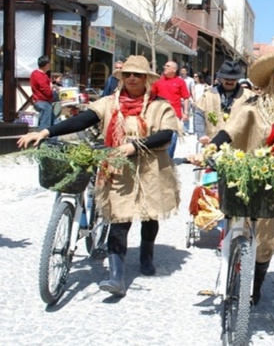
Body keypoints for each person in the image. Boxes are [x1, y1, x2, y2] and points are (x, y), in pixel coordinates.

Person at [188, 51, 274, 344]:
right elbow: (229, 131)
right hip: (262, 183)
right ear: (272, 76)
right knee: (262, 246)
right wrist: (208, 152)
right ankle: (253, 292)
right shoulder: (255, 106)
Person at [17, 55, 180, 297]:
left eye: (138, 75)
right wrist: (46, 131)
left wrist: (136, 146)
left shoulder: (159, 105)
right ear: (121, 78)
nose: (132, 78)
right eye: (127, 74)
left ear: (146, 79)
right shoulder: (108, 103)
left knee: (149, 214)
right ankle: (116, 277)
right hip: (116, 168)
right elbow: (83, 120)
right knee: (118, 219)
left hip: (150, 167)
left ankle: (147, 255)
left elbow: (166, 134)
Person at [194, 60, 254, 146]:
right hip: (212, 144)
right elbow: (199, 115)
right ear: (221, 78)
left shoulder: (249, 96)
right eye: (227, 78)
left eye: (233, 79)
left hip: (238, 147)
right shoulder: (207, 95)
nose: (230, 81)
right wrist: (201, 134)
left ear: (237, 79)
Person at [151, 60, 190, 158]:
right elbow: (152, 96)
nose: (165, 67)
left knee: (172, 137)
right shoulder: (158, 81)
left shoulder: (180, 82)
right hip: (159, 114)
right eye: (165, 65)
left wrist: (185, 112)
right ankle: (160, 158)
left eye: (168, 66)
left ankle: (168, 159)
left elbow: (186, 97)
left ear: (174, 69)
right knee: (159, 136)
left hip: (174, 115)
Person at [30, 56, 55, 129]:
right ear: (47, 65)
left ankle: (53, 140)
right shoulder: (39, 75)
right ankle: (42, 139)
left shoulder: (39, 74)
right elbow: (46, 90)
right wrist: (52, 90)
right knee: (45, 123)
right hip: (42, 101)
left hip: (43, 101)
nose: (50, 65)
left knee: (54, 122)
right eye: (50, 64)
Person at [179, 66, 195, 135]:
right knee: (179, 114)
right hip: (178, 99)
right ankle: (180, 129)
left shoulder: (190, 80)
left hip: (187, 99)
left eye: (183, 71)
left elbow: (192, 89)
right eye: (181, 70)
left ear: (187, 72)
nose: (182, 72)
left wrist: (194, 99)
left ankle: (186, 130)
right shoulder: (177, 79)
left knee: (186, 114)